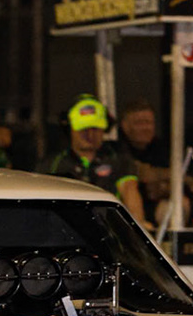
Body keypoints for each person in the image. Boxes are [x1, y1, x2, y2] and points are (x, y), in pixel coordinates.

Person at [41, 95, 147, 227]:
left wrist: (139, 223)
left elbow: (130, 190)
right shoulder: (52, 164)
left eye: (95, 128)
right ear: (70, 128)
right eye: (83, 129)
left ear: (105, 129)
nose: (90, 135)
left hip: (109, 231)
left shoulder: (119, 159)